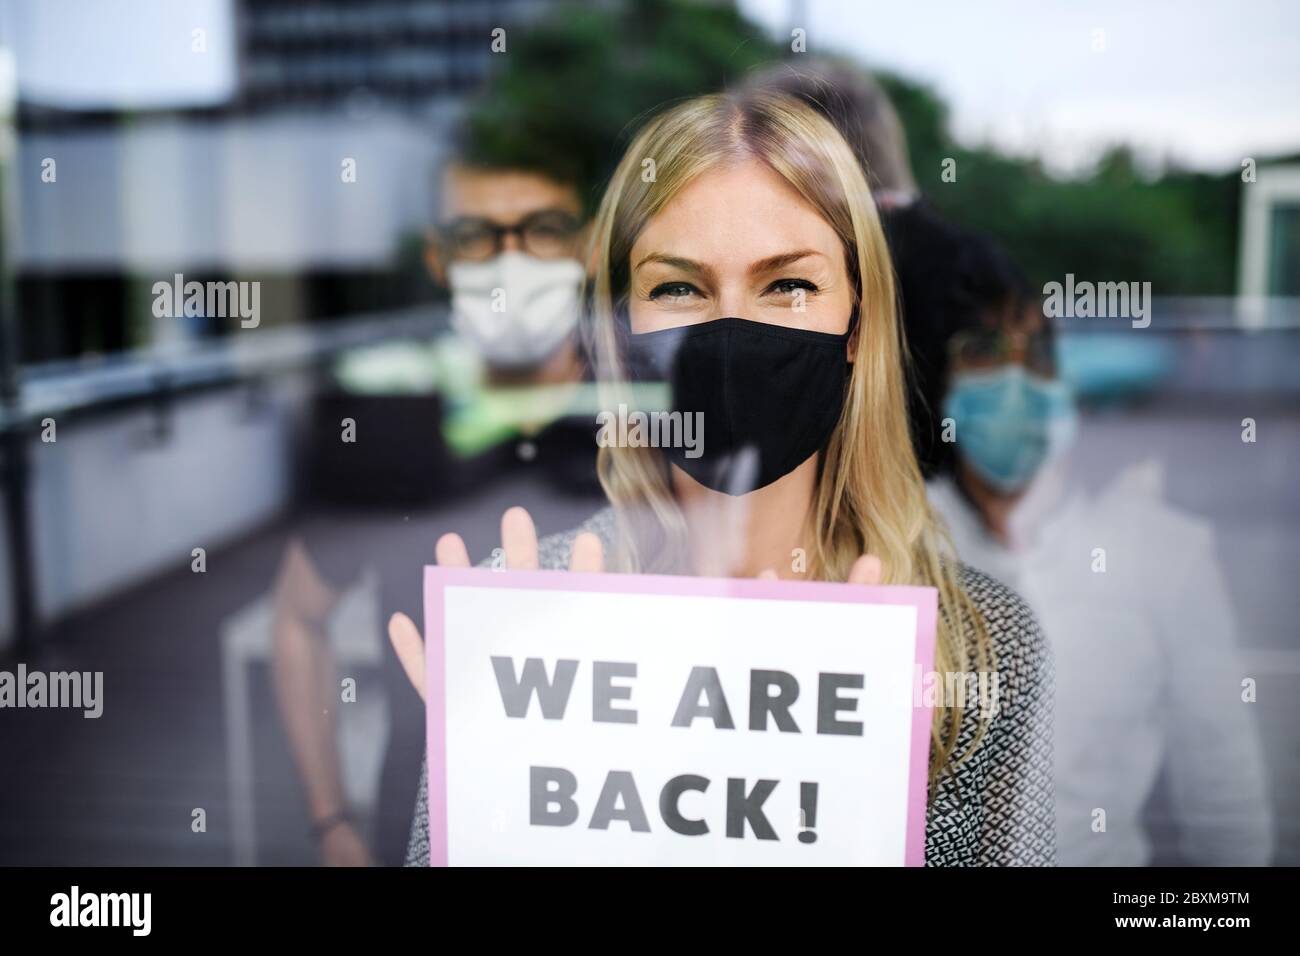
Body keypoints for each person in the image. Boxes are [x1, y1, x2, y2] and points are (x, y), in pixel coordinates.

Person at [390, 90, 1055, 866]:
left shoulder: (976, 650)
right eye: (678, 288)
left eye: (789, 285)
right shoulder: (526, 612)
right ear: (627, 330)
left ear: (857, 324)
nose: (733, 332)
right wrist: (496, 813)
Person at [271, 146, 603, 867]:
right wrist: (332, 826)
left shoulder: (649, 418)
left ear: (587, 242)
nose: (510, 263)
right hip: (421, 834)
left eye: (542, 229)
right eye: (477, 237)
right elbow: (297, 621)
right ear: (437, 258)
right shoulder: (384, 422)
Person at [917, 234, 1272, 865]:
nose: (1014, 379)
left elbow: (1225, 803)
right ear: (945, 377)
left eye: (1041, 355)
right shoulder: (898, 536)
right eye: (984, 350)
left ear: (1074, 382)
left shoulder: (1167, 553)